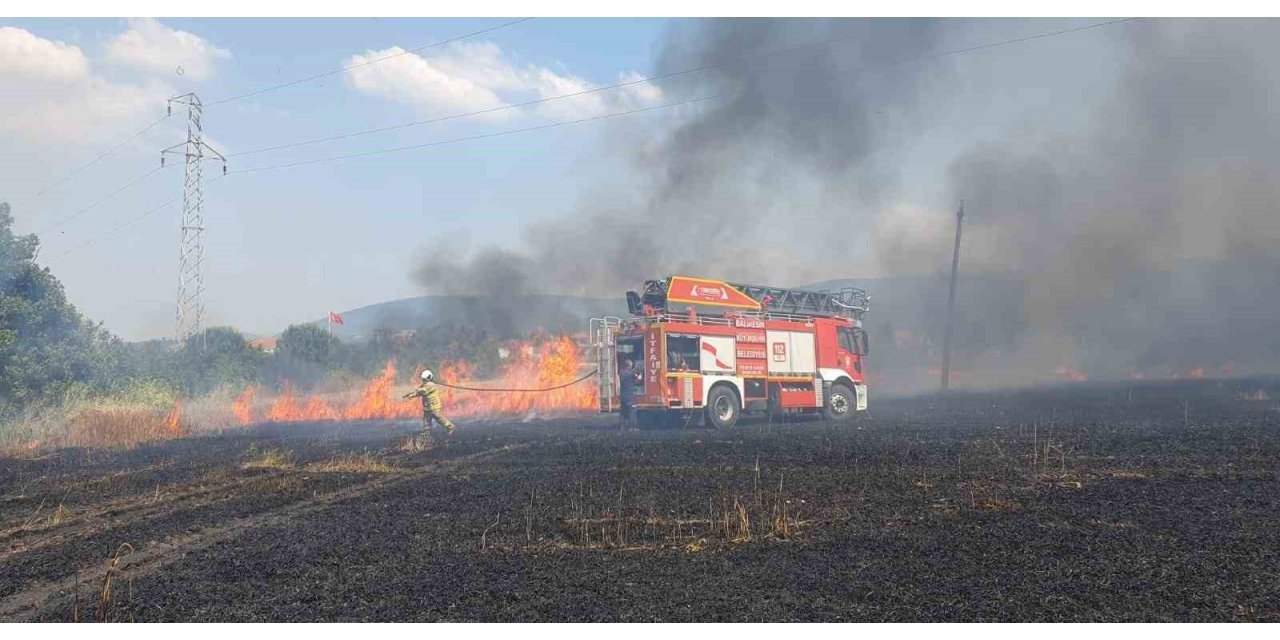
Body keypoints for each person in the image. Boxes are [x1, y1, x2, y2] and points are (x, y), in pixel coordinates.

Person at [403, 369, 456, 445]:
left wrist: (413, 393)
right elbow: (419, 392)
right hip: (427, 407)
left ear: (428, 378)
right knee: (426, 421)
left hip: (434, 406)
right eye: (423, 379)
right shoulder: (424, 385)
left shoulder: (431, 385)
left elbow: (423, 391)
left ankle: (450, 427)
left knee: (439, 418)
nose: (423, 380)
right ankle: (427, 434)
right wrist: (411, 395)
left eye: (424, 379)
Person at [618, 359, 640, 430]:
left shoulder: (621, 372)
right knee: (632, 411)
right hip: (629, 395)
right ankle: (632, 427)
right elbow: (637, 379)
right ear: (630, 365)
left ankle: (622, 427)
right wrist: (640, 375)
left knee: (623, 411)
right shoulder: (631, 373)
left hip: (622, 395)